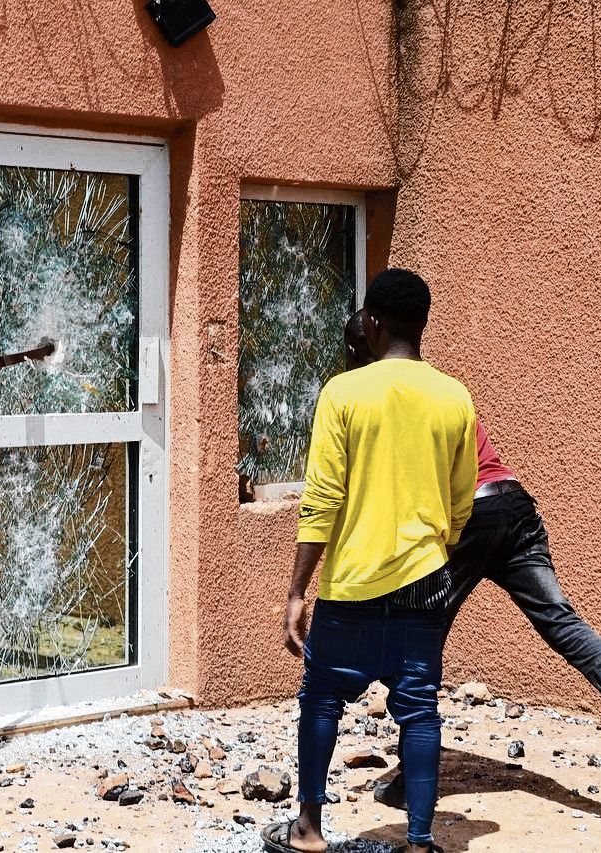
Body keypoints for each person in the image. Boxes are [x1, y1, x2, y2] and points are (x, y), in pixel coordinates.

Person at [341, 310, 601, 807]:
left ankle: (414, 777)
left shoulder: (381, 398)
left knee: (415, 639)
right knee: (561, 622)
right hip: (513, 502)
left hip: (468, 518)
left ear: (363, 347)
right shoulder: (437, 386)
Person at [262, 268, 477, 853]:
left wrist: (296, 592)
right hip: (426, 584)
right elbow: (461, 505)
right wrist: (432, 554)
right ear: (422, 325)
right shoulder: (455, 397)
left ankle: (308, 829)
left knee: (322, 700)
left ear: (374, 324)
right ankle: (418, 840)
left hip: (352, 587)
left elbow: (323, 499)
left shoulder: (344, 393)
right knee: (419, 709)